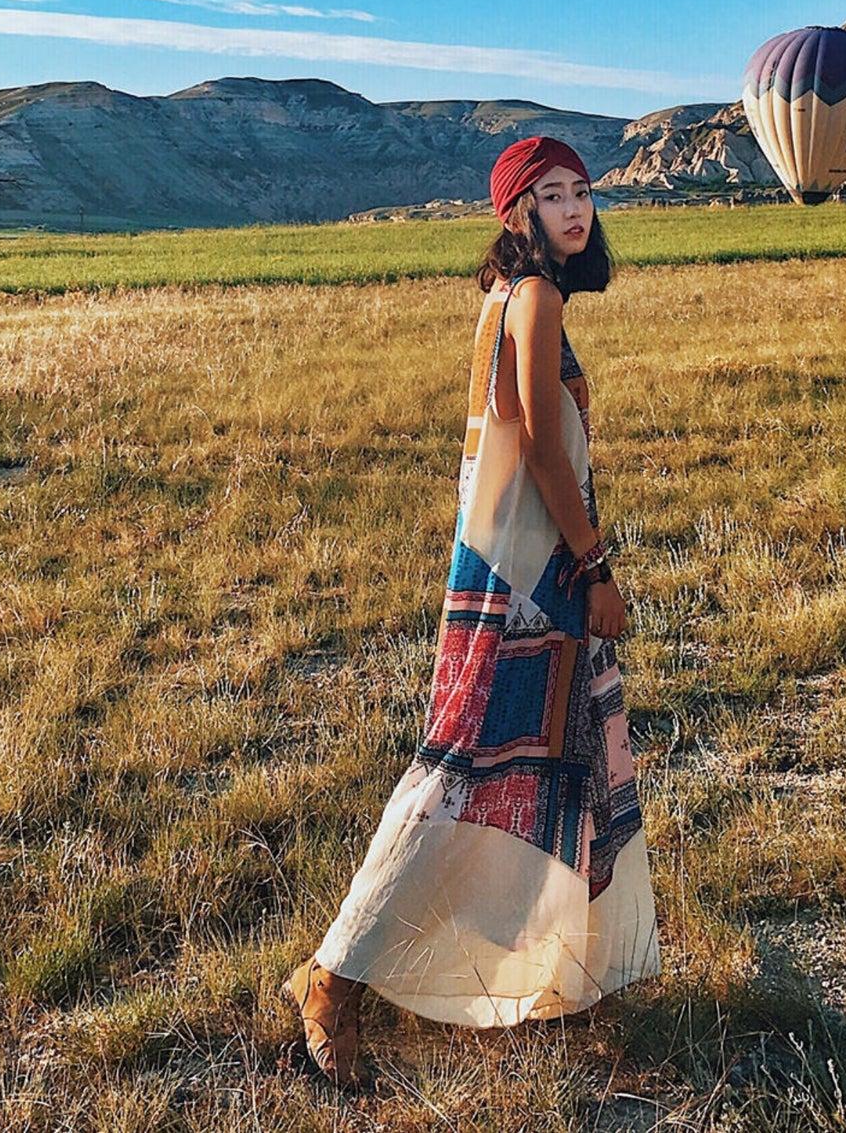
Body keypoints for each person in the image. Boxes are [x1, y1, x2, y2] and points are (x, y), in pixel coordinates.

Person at [283, 136, 660, 1087]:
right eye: (552, 195)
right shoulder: (531, 299)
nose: (575, 209)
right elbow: (539, 450)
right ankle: (332, 977)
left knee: (541, 767)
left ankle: (558, 972)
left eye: (582, 191)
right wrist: (596, 565)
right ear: (513, 213)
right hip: (529, 583)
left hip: (511, 568)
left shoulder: (514, 296)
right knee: (461, 776)